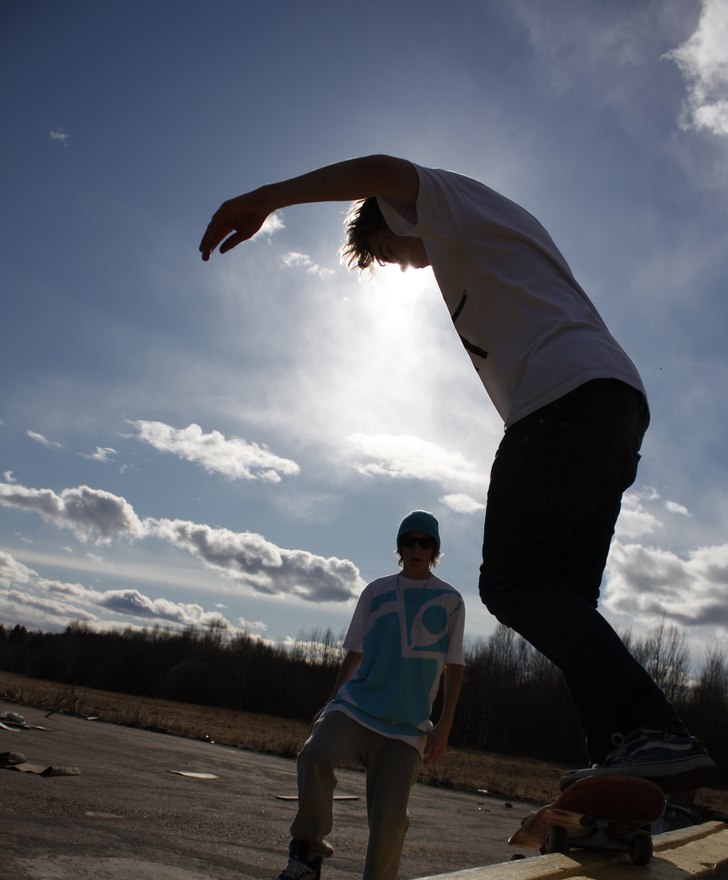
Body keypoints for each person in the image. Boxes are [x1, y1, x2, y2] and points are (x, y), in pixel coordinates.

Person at [200, 154, 716, 793]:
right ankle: (627, 757)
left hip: (563, 405)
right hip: (610, 407)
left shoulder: (453, 208)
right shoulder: (487, 244)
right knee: (566, 601)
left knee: (511, 581)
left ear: (394, 218)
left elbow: (383, 168)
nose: (408, 266)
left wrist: (267, 195)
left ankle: (653, 727)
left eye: (392, 253)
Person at [266, 511, 465, 880]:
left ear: (435, 550)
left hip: (406, 727)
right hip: (356, 707)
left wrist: (445, 724)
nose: (416, 549)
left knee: (389, 820)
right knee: (314, 755)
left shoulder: (450, 600)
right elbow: (353, 653)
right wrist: (331, 702)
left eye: (426, 543)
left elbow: (454, 667)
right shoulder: (376, 592)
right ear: (400, 547)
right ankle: (307, 855)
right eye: (410, 541)